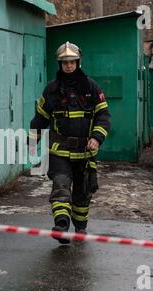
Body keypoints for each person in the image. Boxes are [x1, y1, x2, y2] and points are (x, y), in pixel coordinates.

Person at [29, 42, 111, 244]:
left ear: (78, 62)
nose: (68, 66)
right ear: (60, 64)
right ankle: (62, 225)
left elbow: (103, 116)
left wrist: (96, 138)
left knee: (82, 194)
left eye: (72, 61)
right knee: (60, 186)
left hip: (84, 153)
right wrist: (31, 143)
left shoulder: (91, 88)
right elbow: (40, 118)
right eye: (65, 62)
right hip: (60, 152)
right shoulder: (52, 90)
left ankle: (80, 227)